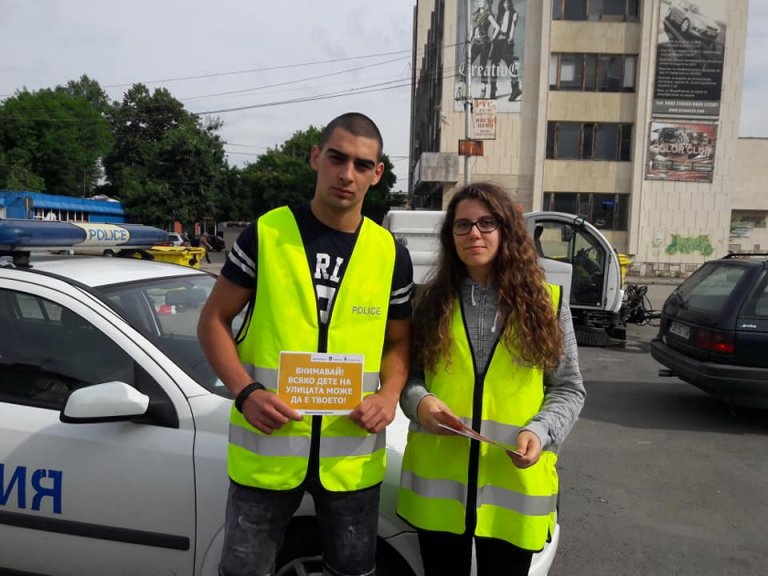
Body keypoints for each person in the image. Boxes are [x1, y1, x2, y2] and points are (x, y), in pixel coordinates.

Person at [197, 112, 413, 576]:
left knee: (352, 572)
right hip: (268, 449)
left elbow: (398, 343)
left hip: (349, 452)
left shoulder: (390, 253)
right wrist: (246, 391)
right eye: (337, 158)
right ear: (316, 157)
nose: (346, 174)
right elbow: (213, 320)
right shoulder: (267, 234)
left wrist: (390, 395)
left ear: (377, 175)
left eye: (361, 165)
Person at [396, 182, 585, 576]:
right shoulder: (428, 302)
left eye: (486, 222)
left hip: (512, 489)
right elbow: (408, 378)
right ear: (450, 236)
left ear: (506, 230)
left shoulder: (548, 303)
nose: (474, 234)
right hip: (440, 492)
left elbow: (568, 387)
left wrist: (541, 429)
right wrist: (420, 403)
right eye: (462, 225)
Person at [489, 0, 521, 101]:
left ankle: (515, 88)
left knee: (509, 62)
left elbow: (512, 27)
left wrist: (510, 38)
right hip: (498, 41)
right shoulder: (501, 13)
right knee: (494, 64)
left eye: (508, 3)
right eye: (504, 3)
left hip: (507, 40)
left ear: (510, 3)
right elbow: (497, 28)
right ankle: (493, 89)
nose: (506, 5)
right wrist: (493, 39)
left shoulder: (514, 14)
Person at [469, 0, 500, 98]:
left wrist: (492, 38)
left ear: (485, 3)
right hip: (476, 42)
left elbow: (497, 27)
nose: (480, 2)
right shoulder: (474, 15)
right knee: (468, 61)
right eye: (478, 1)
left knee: (483, 65)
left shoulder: (488, 15)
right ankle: (463, 86)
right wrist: (469, 41)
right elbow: (472, 31)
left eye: (482, 1)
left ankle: (483, 88)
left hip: (485, 43)